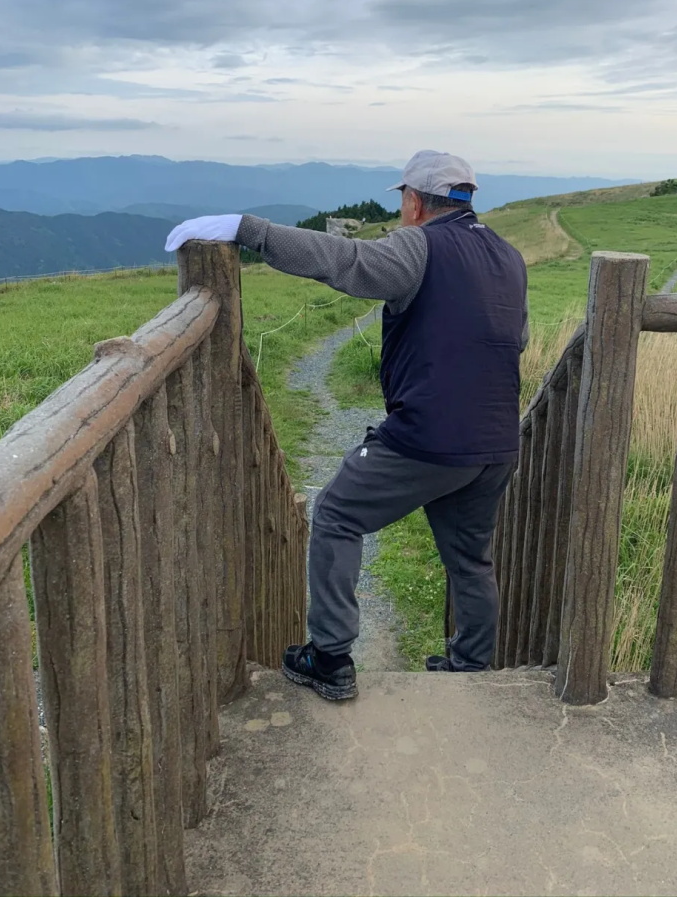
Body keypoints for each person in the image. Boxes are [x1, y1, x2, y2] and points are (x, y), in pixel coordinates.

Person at [166, 149, 528, 701]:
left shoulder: (418, 244)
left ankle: (330, 657)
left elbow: (347, 261)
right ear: (467, 197)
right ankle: (471, 667)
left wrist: (251, 230)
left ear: (412, 201)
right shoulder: (508, 256)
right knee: (471, 558)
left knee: (336, 513)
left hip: (428, 436)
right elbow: (515, 339)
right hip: (497, 440)